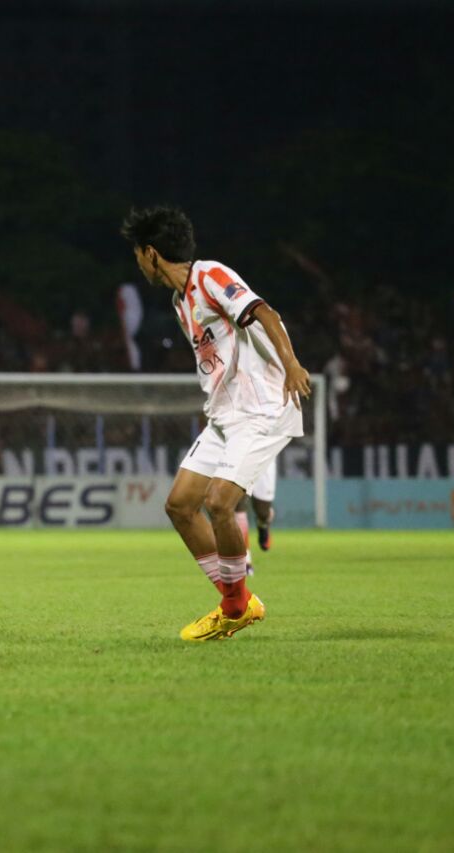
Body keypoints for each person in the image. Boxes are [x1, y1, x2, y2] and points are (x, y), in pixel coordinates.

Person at [121, 206, 311, 641]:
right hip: (225, 417)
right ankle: (238, 601)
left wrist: (292, 365)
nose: (138, 264)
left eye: (137, 255)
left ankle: (234, 608)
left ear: (151, 254)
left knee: (221, 503)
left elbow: (264, 312)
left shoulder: (208, 275)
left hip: (261, 409)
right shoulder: (180, 302)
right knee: (180, 505)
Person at [237, 460, 277, 575]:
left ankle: (263, 522)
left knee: (262, 511)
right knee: (238, 506)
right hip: (239, 458)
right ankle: (245, 560)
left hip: (264, 458)